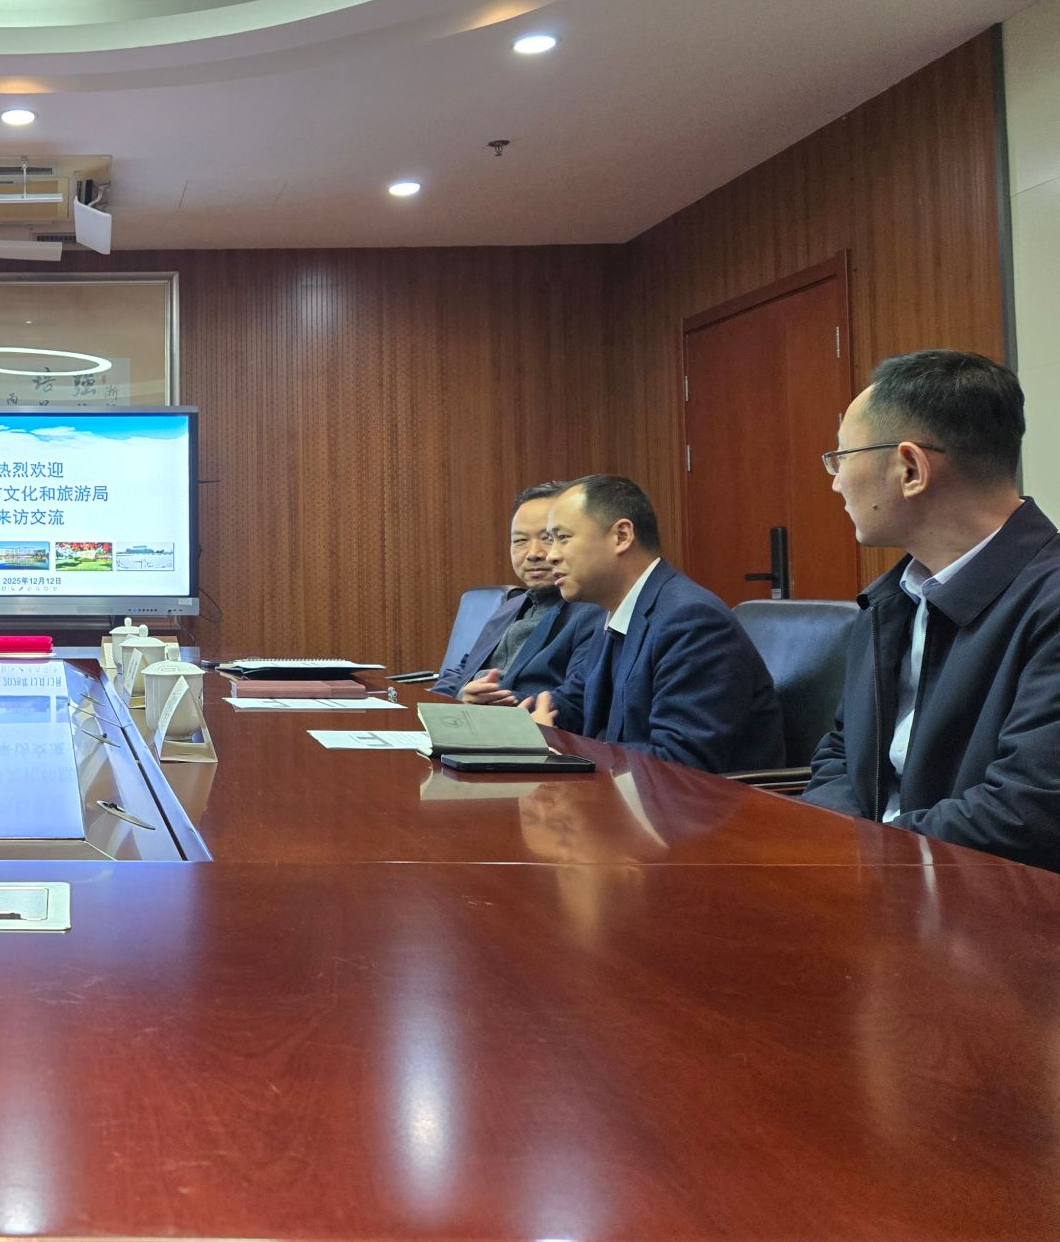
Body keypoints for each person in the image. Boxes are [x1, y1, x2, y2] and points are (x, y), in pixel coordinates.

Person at [801, 350, 1060, 872]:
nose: (835, 481)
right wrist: (834, 846)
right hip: (880, 876)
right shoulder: (891, 599)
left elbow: (1026, 814)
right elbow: (840, 752)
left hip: (986, 902)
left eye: (842, 457)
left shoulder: (1048, 602)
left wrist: (862, 855)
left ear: (911, 468)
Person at [525, 474, 783, 773]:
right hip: (627, 793)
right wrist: (519, 728)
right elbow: (572, 704)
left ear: (622, 536)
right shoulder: (614, 613)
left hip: (697, 800)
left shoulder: (691, 621)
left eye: (563, 538)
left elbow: (680, 760)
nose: (551, 556)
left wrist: (562, 746)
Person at [435, 480, 604, 702]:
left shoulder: (594, 611)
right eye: (520, 540)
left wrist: (485, 705)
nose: (533, 553)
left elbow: (577, 702)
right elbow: (463, 669)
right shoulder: (510, 605)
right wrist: (435, 702)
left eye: (548, 538)